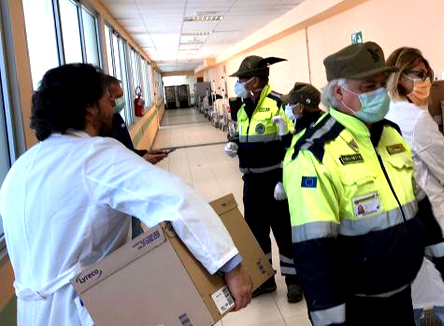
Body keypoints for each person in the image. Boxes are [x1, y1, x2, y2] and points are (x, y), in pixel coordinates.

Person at [0, 64, 253, 326]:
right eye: (108, 100)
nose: (114, 108)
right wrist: (231, 266)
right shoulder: (93, 155)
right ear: (88, 107)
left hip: (32, 315)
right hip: (86, 309)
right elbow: (177, 200)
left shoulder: (20, 169)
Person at [283, 42, 444, 325]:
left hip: (401, 295)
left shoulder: (390, 135)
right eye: (368, 87)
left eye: (381, 84)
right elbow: (313, 251)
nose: (380, 93)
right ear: (339, 92)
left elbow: (419, 207)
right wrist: (330, 320)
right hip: (356, 306)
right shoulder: (315, 152)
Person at [385, 47, 444, 326]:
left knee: (405, 305)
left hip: (396, 225)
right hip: (430, 218)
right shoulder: (416, 119)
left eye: (428, 74)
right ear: (400, 78)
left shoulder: (381, 114)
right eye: (419, 74)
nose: (425, 81)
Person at [226, 55, 303, 303]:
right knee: (256, 233)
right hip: (251, 182)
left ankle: (294, 282)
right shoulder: (242, 106)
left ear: (255, 80)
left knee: (284, 233)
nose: (237, 84)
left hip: (275, 183)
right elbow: (241, 134)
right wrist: (234, 145)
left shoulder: (279, 103)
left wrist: (283, 179)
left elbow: (292, 147)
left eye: (241, 79)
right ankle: (265, 280)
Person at [104, 75, 167, 165]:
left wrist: (144, 154)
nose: (116, 102)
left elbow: (127, 150)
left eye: (121, 96)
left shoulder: (117, 118)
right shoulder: (100, 129)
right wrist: (139, 161)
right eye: (116, 97)